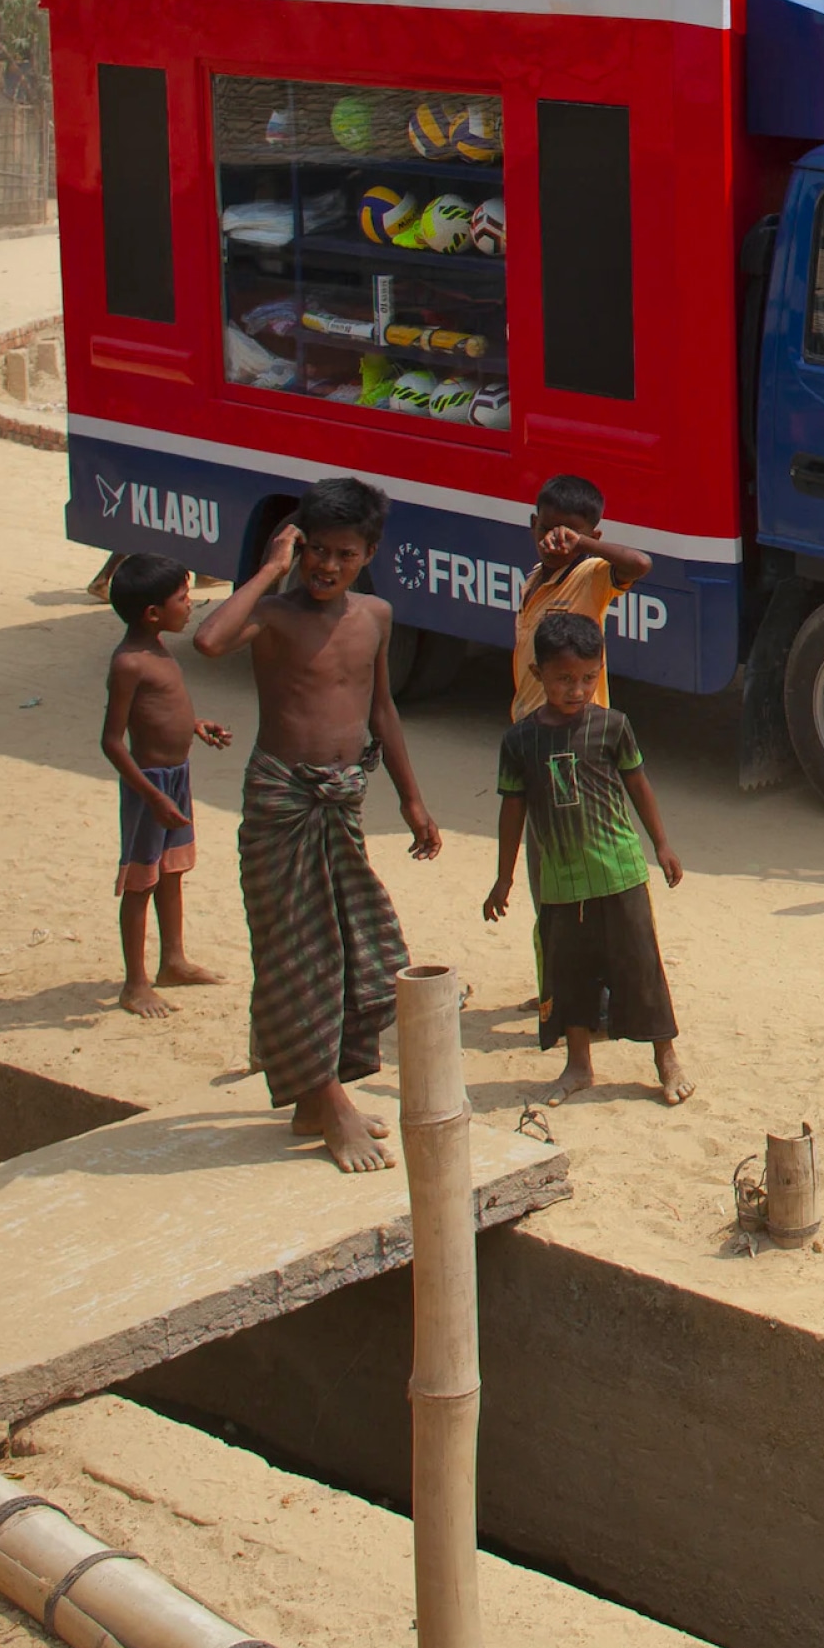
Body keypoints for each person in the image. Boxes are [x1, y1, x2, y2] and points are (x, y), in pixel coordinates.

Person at [192, 478, 441, 1173]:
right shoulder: (272, 614)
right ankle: (330, 1106)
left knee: (352, 948)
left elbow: (381, 708)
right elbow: (209, 640)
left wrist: (411, 798)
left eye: (343, 554)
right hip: (281, 800)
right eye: (315, 552)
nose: (327, 567)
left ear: (368, 553)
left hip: (345, 798)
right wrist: (269, 568)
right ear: (297, 547)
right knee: (291, 950)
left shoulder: (376, 616)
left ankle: (315, 1093)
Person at [485, 611, 690, 1106]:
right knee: (568, 973)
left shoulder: (613, 726)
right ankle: (578, 1065)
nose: (576, 690)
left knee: (641, 966)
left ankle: (666, 1059)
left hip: (618, 869)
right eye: (563, 680)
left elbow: (638, 785)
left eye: (587, 679)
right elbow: (512, 811)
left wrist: (661, 845)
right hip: (560, 879)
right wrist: (504, 878)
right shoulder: (520, 740)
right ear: (538, 676)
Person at [101, 555, 231, 1019]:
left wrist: (195, 725)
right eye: (183, 598)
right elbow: (112, 741)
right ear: (153, 613)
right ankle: (135, 983)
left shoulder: (157, 648)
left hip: (176, 776)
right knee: (141, 880)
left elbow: (160, 711)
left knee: (172, 870)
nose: (191, 605)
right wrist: (151, 796)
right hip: (149, 786)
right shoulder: (129, 663)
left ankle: (172, 960)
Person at [514, 474, 651, 719]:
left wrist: (582, 544)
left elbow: (640, 563)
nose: (553, 542)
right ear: (534, 523)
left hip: (575, 727)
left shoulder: (590, 576)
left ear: (592, 538)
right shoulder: (534, 578)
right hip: (531, 723)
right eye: (546, 530)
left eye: (568, 536)